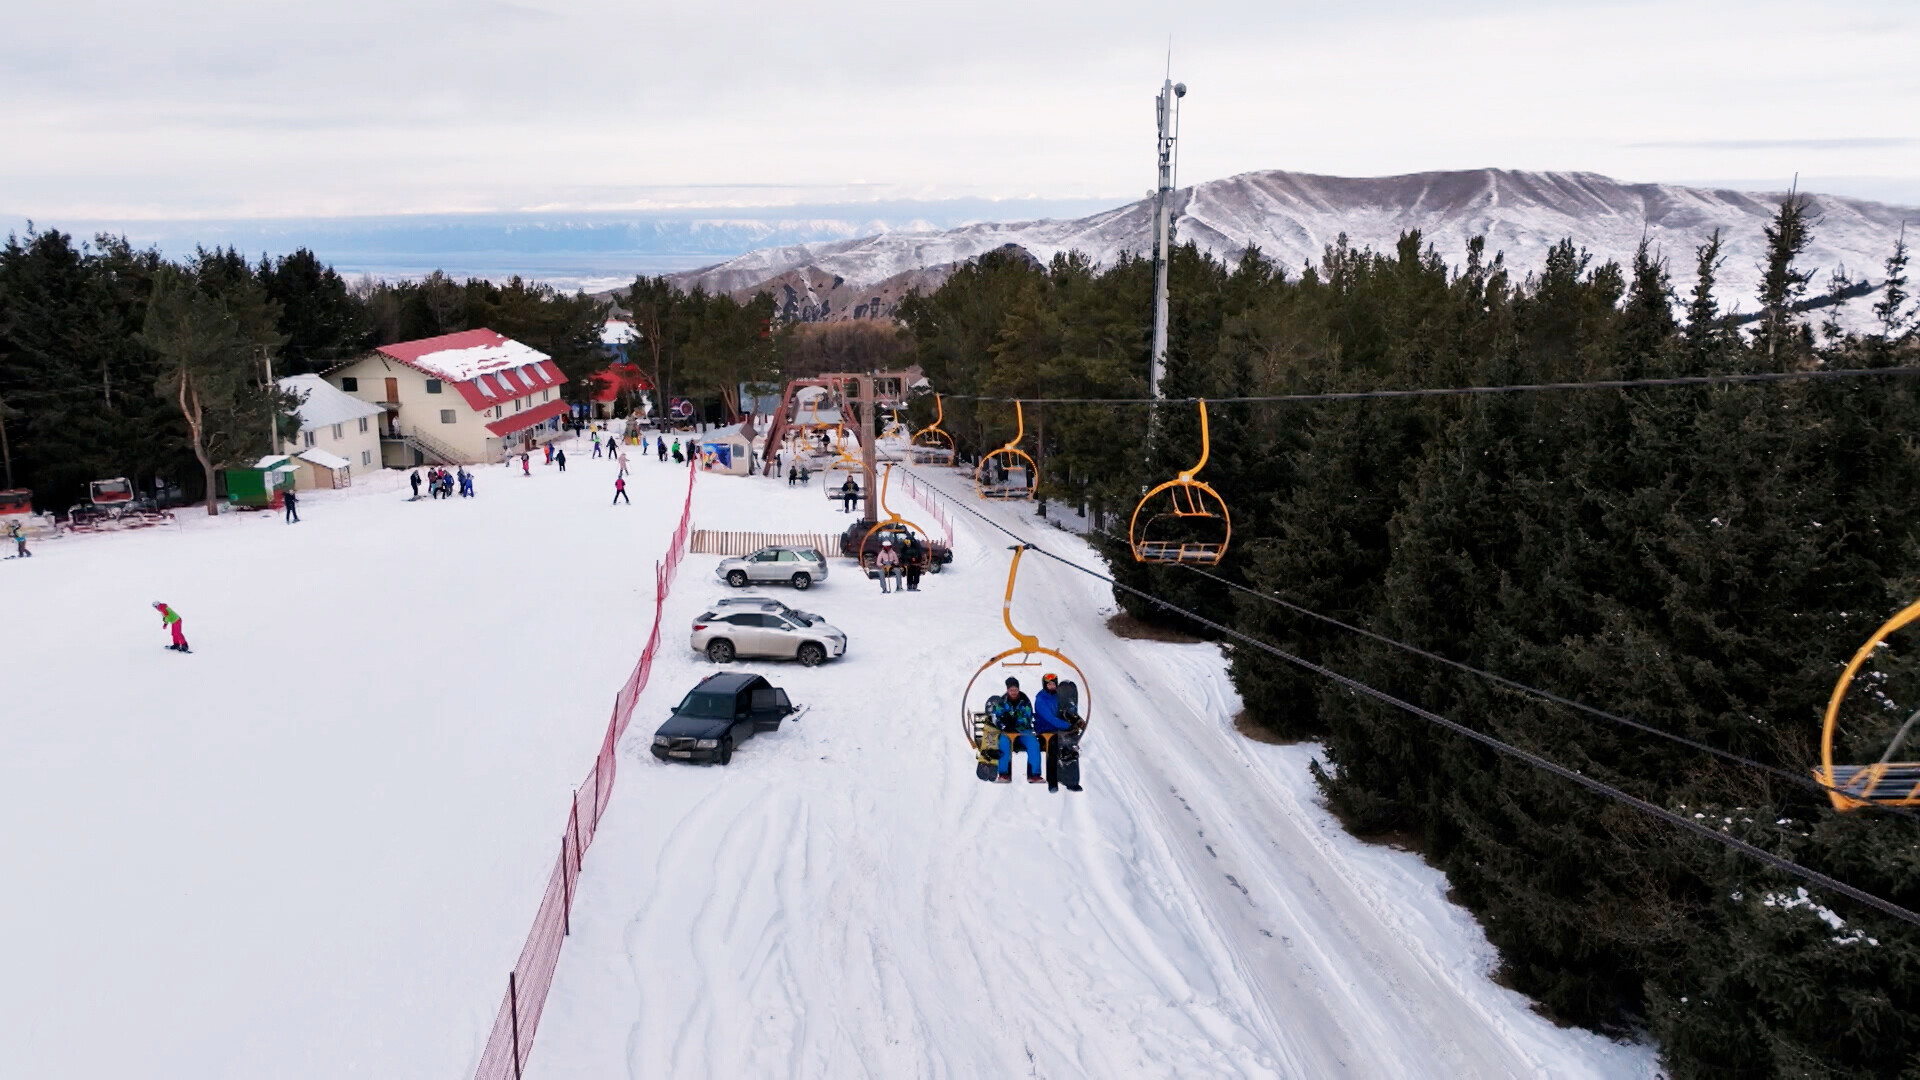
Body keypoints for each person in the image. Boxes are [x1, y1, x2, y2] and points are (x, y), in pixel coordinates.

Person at [1033, 672, 1082, 792]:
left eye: (1053, 684)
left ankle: (1071, 779)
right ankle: (1052, 782)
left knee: (1069, 744)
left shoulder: (1058, 696)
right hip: (1045, 729)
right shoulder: (1041, 699)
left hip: (1059, 728)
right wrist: (1068, 726)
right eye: (1049, 684)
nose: (1051, 686)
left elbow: (1063, 711)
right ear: (1045, 685)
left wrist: (1075, 721)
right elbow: (1050, 718)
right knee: (1053, 746)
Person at [990, 677, 1043, 783]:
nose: (1013, 692)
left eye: (1015, 690)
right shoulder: (1002, 701)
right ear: (1007, 690)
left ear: (1018, 690)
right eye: (1011, 690)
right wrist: (1004, 725)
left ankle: (1034, 774)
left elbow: (1027, 718)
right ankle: (1004, 773)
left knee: (1033, 743)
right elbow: (996, 717)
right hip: (1007, 732)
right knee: (1003, 743)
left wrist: (1015, 724)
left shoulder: (1024, 701)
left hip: (1023, 731)